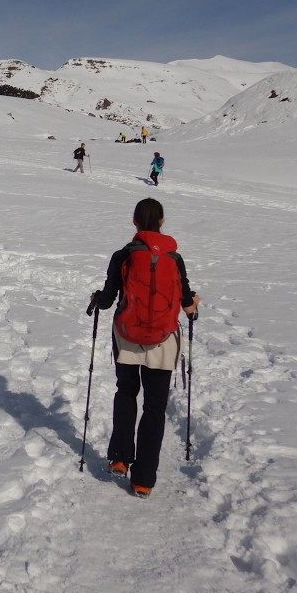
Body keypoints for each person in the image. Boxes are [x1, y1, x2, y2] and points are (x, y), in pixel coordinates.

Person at [87, 198, 199, 498]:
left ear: (134, 222)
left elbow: (109, 299)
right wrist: (193, 306)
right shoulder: (174, 258)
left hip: (127, 336)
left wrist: (98, 298)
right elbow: (186, 301)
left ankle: (121, 459)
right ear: (161, 222)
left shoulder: (123, 255)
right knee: (155, 407)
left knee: (126, 392)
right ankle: (144, 480)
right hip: (163, 340)